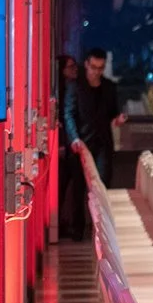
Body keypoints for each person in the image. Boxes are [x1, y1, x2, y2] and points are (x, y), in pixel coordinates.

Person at [70, 46, 126, 201]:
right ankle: (79, 225)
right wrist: (74, 138)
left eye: (101, 68)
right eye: (94, 67)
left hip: (103, 144)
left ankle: (100, 225)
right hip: (81, 144)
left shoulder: (109, 87)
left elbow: (113, 113)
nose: (97, 72)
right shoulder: (76, 86)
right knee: (78, 190)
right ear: (87, 64)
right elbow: (69, 114)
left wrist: (118, 119)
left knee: (103, 186)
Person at [55, 53, 88, 240]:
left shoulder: (74, 88)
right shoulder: (62, 90)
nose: (74, 70)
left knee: (75, 187)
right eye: (70, 67)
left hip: (71, 147)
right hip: (64, 147)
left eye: (75, 66)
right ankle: (62, 224)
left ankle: (74, 226)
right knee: (65, 187)